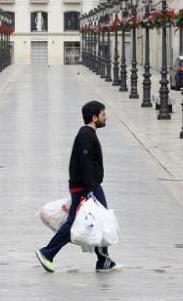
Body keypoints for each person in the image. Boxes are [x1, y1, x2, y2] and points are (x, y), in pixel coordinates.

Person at [36, 100, 121, 273]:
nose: (106, 118)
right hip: (86, 187)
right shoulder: (86, 135)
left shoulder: (88, 133)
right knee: (79, 222)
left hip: (87, 186)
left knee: (97, 220)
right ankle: (47, 252)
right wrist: (90, 190)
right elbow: (85, 163)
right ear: (94, 117)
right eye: (103, 115)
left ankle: (103, 260)